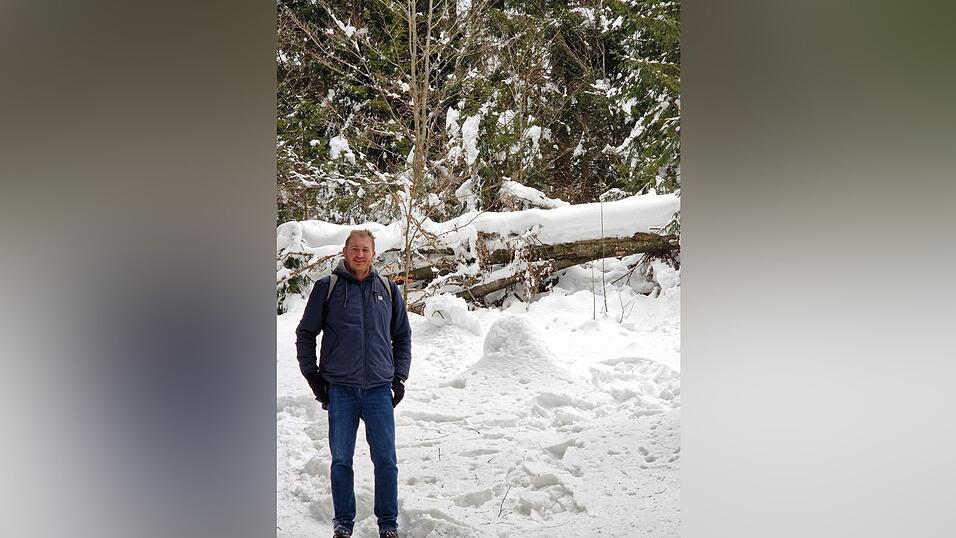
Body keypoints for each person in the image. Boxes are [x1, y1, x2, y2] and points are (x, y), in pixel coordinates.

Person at [295, 229, 412, 538]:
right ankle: (343, 522)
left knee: (386, 461)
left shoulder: (387, 288)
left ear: (374, 254)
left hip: (378, 390)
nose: (360, 254)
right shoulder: (327, 288)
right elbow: (305, 334)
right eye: (354, 249)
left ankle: (388, 523)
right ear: (344, 252)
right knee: (341, 461)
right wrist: (312, 376)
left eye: (365, 249)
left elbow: (402, 336)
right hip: (341, 390)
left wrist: (399, 376)